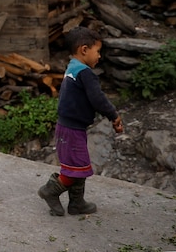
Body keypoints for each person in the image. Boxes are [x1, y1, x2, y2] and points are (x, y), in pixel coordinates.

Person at [38, 27, 124, 216]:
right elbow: (98, 98)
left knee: (79, 166)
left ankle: (77, 203)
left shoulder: (72, 68)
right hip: (72, 130)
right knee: (75, 167)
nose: (99, 56)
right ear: (84, 49)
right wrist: (113, 115)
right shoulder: (85, 73)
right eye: (98, 51)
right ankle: (50, 190)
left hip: (67, 127)